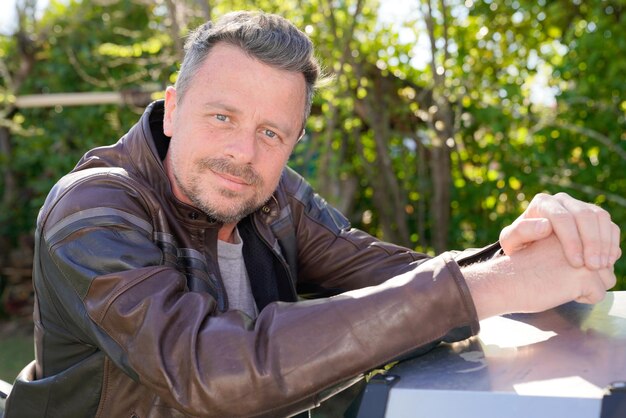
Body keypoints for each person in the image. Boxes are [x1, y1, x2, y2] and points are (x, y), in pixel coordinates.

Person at [3, 10, 621, 418]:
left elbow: (396, 276)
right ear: (170, 109)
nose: (242, 153)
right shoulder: (91, 209)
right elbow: (205, 370)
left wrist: (528, 253)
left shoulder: (274, 199)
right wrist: (497, 283)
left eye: (272, 133)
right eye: (222, 117)